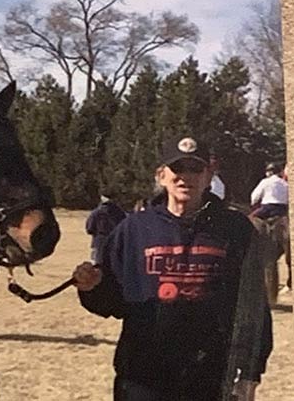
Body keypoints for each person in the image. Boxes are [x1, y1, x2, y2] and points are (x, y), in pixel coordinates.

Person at [72, 136, 272, 401]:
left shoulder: (235, 229)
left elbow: (253, 306)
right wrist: (92, 286)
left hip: (209, 375)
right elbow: (113, 302)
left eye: (195, 169)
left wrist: (249, 374)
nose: (184, 177)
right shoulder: (133, 229)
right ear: (161, 176)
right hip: (142, 376)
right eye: (177, 169)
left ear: (209, 175)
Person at [85, 192, 126, 262]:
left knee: (98, 264)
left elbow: (89, 228)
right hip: (115, 241)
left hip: (99, 242)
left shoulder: (96, 213)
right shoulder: (120, 212)